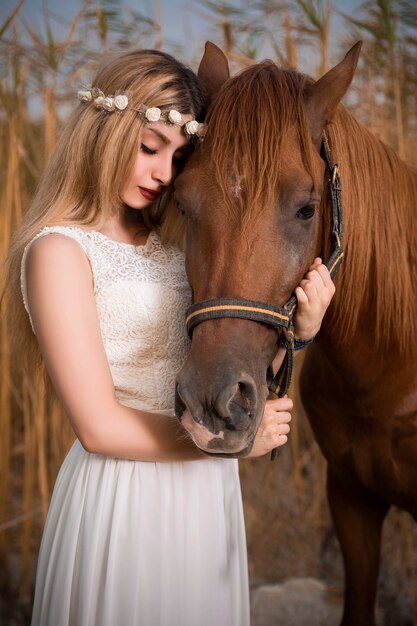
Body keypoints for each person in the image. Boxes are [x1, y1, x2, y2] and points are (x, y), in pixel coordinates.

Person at [5, 48, 335, 626]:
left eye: (179, 156)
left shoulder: (174, 247)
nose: (164, 172)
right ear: (104, 132)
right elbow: (99, 427)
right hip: (123, 495)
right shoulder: (58, 251)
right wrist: (223, 443)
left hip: (203, 495)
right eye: (150, 147)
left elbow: (220, 353)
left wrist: (298, 333)